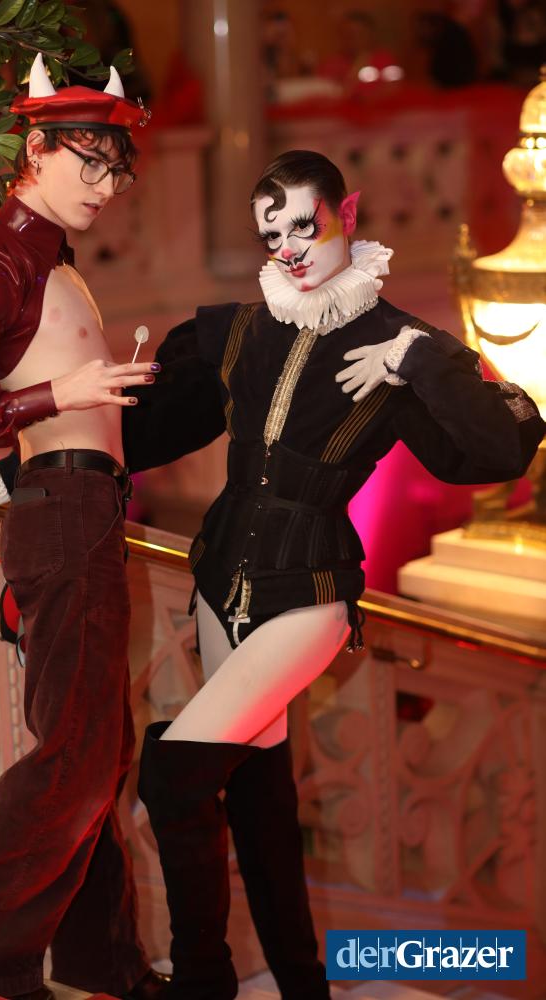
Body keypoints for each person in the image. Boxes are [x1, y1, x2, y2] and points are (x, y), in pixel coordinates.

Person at [134, 150, 546, 1000]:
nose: (287, 246)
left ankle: (203, 981)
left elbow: (496, 448)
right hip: (218, 580)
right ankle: (301, 986)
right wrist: (26, 463)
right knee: (259, 798)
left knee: (173, 776)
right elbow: (146, 434)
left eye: (302, 224)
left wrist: (416, 362)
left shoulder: (401, 343)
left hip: (307, 595)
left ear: (344, 213)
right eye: (270, 233)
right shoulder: (237, 333)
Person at [0, 54, 225, 1000]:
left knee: (96, 755)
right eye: (87, 162)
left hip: (83, 511)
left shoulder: (49, 262)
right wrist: (60, 392)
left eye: (115, 170)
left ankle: (103, 966)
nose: (104, 186)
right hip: (60, 511)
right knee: (75, 764)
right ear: (34, 151)